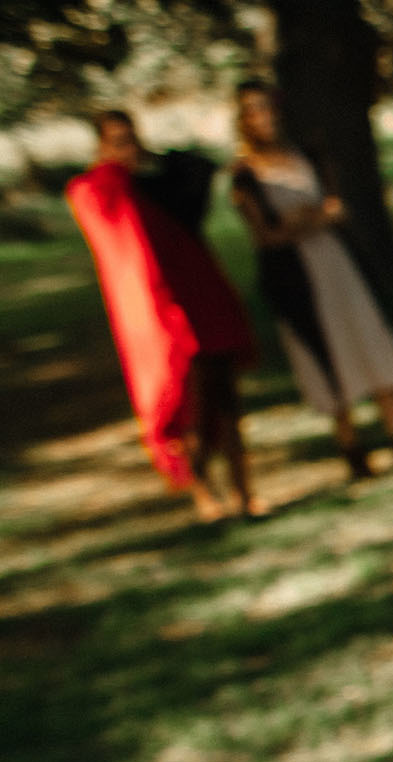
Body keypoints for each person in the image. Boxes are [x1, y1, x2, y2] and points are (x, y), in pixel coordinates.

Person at [66, 110, 259, 520]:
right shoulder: (101, 191)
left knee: (224, 395)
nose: (128, 150)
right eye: (117, 142)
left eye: (131, 139)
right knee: (188, 402)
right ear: (101, 146)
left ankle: (245, 491)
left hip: (202, 297)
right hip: (161, 312)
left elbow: (197, 190)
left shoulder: (161, 183)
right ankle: (204, 491)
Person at [226, 79, 393, 479]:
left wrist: (306, 219)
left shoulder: (307, 153)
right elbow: (266, 236)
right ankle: (353, 448)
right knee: (324, 351)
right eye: (253, 110)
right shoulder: (245, 176)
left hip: (337, 261)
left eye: (267, 107)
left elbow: (335, 208)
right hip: (296, 276)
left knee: (367, 335)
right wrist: (307, 220)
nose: (264, 117)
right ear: (244, 120)